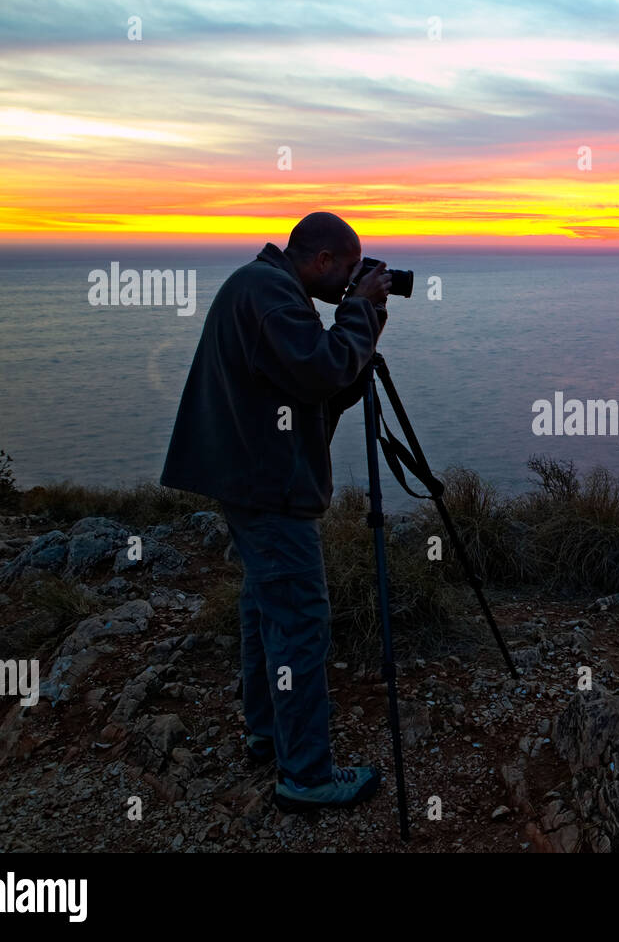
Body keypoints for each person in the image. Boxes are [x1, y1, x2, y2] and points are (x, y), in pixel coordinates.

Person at [160, 212, 391, 811]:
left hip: (252, 476)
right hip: (268, 486)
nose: (349, 282)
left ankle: (268, 731)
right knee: (298, 619)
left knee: (266, 606)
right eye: (347, 271)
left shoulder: (267, 287)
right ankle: (307, 776)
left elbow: (320, 384)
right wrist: (360, 311)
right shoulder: (268, 294)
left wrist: (368, 320)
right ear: (321, 260)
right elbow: (319, 371)